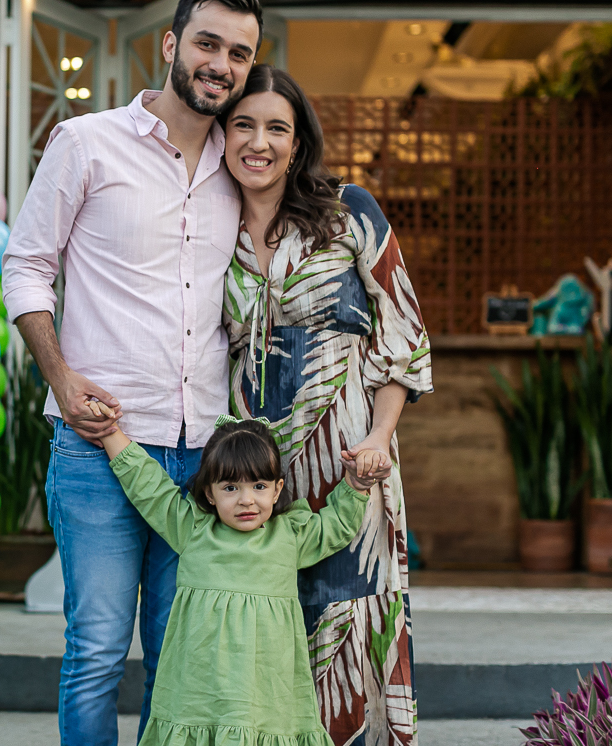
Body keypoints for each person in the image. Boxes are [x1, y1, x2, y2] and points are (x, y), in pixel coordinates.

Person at [2, 0, 263, 745]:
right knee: (96, 651)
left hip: (202, 457)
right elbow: (26, 264)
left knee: (175, 656)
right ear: (171, 44)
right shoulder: (86, 142)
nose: (221, 64)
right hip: (99, 448)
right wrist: (59, 377)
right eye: (208, 43)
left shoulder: (240, 167)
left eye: (239, 53)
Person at [220, 64, 433, 745]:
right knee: (260, 629)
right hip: (251, 475)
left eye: (276, 128)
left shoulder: (349, 211)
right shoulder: (206, 223)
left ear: (298, 141)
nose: (258, 142)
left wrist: (378, 438)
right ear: (222, 134)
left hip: (348, 463)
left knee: (348, 623)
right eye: (243, 124)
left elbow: (403, 335)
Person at [83, 405, 380, 745]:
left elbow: (336, 526)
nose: (246, 500)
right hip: (200, 691)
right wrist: (110, 433)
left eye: (259, 485)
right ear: (209, 493)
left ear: (277, 489)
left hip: (265, 690)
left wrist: (357, 484)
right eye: (230, 488)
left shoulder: (289, 536)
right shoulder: (193, 529)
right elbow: (148, 487)